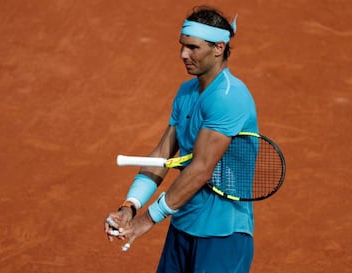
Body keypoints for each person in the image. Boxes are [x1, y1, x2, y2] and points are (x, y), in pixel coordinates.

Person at [105, 6, 258, 273]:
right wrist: (130, 206)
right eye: (182, 46)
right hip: (183, 224)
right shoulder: (187, 91)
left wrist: (146, 221)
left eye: (193, 47)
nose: (183, 55)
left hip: (222, 235)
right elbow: (162, 156)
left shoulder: (229, 97)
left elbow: (200, 169)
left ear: (219, 47)